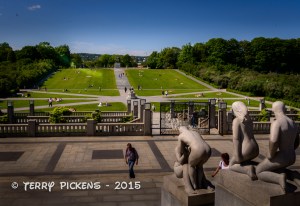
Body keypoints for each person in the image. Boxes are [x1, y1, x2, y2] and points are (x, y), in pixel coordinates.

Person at [256, 101, 300, 192]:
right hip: (292, 156)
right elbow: (297, 141)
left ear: (274, 110)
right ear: (284, 109)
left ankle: (279, 178)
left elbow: (274, 141)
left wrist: (271, 155)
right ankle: (293, 175)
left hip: (282, 157)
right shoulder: (293, 123)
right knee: (277, 168)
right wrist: (291, 149)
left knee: (259, 171)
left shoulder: (277, 123)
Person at [175, 126, 211, 193]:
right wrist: (186, 154)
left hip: (197, 149)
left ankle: (195, 185)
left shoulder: (181, 136)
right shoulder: (195, 132)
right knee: (197, 166)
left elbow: (181, 149)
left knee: (191, 166)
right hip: (207, 149)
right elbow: (180, 161)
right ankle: (197, 184)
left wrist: (186, 153)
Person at [229, 101, 259, 180]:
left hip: (246, 148)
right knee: (246, 161)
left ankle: (248, 170)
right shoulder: (249, 120)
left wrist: (237, 155)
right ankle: (258, 166)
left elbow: (236, 139)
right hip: (255, 148)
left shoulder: (237, 121)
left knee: (231, 165)